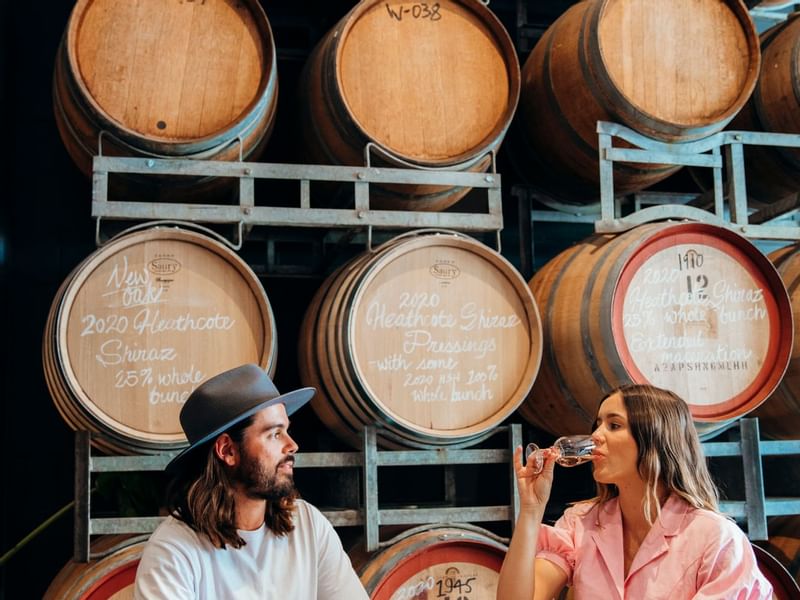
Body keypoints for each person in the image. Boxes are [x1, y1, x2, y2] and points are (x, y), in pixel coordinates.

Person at [497, 383, 772, 600]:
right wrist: (531, 511)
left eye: (614, 425)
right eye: (598, 424)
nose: (596, 436)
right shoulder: (580, 522)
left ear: (655, 438)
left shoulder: (715, 538)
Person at [134, 363, 369, 599]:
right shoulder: (173, 551)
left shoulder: (308, 525)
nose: (292, 445)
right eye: (274, 434)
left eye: (286, 430)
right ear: (227, 450)